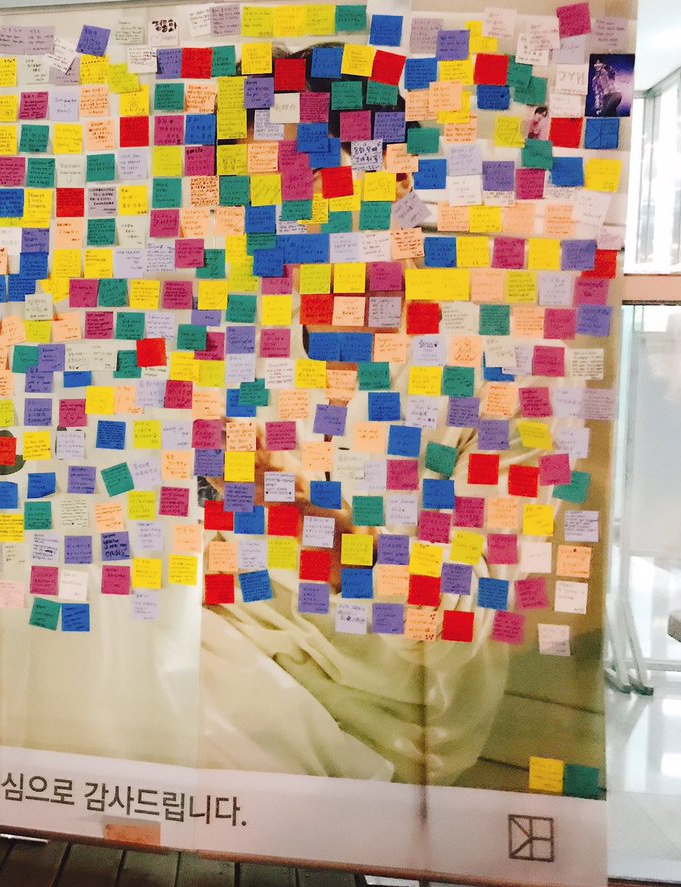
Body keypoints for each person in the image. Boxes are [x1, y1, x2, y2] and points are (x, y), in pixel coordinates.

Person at [196, 45, 561, 784]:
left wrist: (316, 523)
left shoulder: (497, 366)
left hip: (367, 722)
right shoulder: (243, 330)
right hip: (211, 650)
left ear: (393, 172)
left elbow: (464, 624)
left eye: (293, 174)